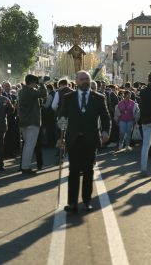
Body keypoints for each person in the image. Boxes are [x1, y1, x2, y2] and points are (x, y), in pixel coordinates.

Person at [58, 70, 110, 213]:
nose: (85, 81)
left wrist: (105, 131)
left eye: (87, 79)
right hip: (73, 139)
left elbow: (105, 117)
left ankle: (87, 201)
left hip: (91, 139)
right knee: (73, 171)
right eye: (81, 79)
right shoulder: (68, 98)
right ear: (76, 81)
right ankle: (72, 203)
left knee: (88, 171)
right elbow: (62, 117)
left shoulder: (99, 98)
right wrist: (60, 137)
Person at [18, 74, 47, 174]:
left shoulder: (22, 91)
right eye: (36, 82)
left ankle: (24, 166)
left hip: (24, 122)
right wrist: (42, 84)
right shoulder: (30, 91)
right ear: (33, 82)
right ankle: (25, 167)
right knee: (29, 146)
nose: (37, 84)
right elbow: (44, 93)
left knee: (27, 145)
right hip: (32, 122)